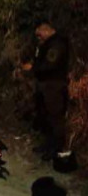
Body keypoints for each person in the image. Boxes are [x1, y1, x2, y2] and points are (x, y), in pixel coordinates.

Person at [22, 21, 76, 172]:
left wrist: (32, 68)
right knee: (44, 115)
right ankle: (47, 145)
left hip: (54, 86)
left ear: (46, 29)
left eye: (39, 32)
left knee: (55, 118)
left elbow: (50, 64)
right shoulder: (47, 43)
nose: (37, 36)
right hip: (44, 85)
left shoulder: (57, 44)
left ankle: (56, 149)